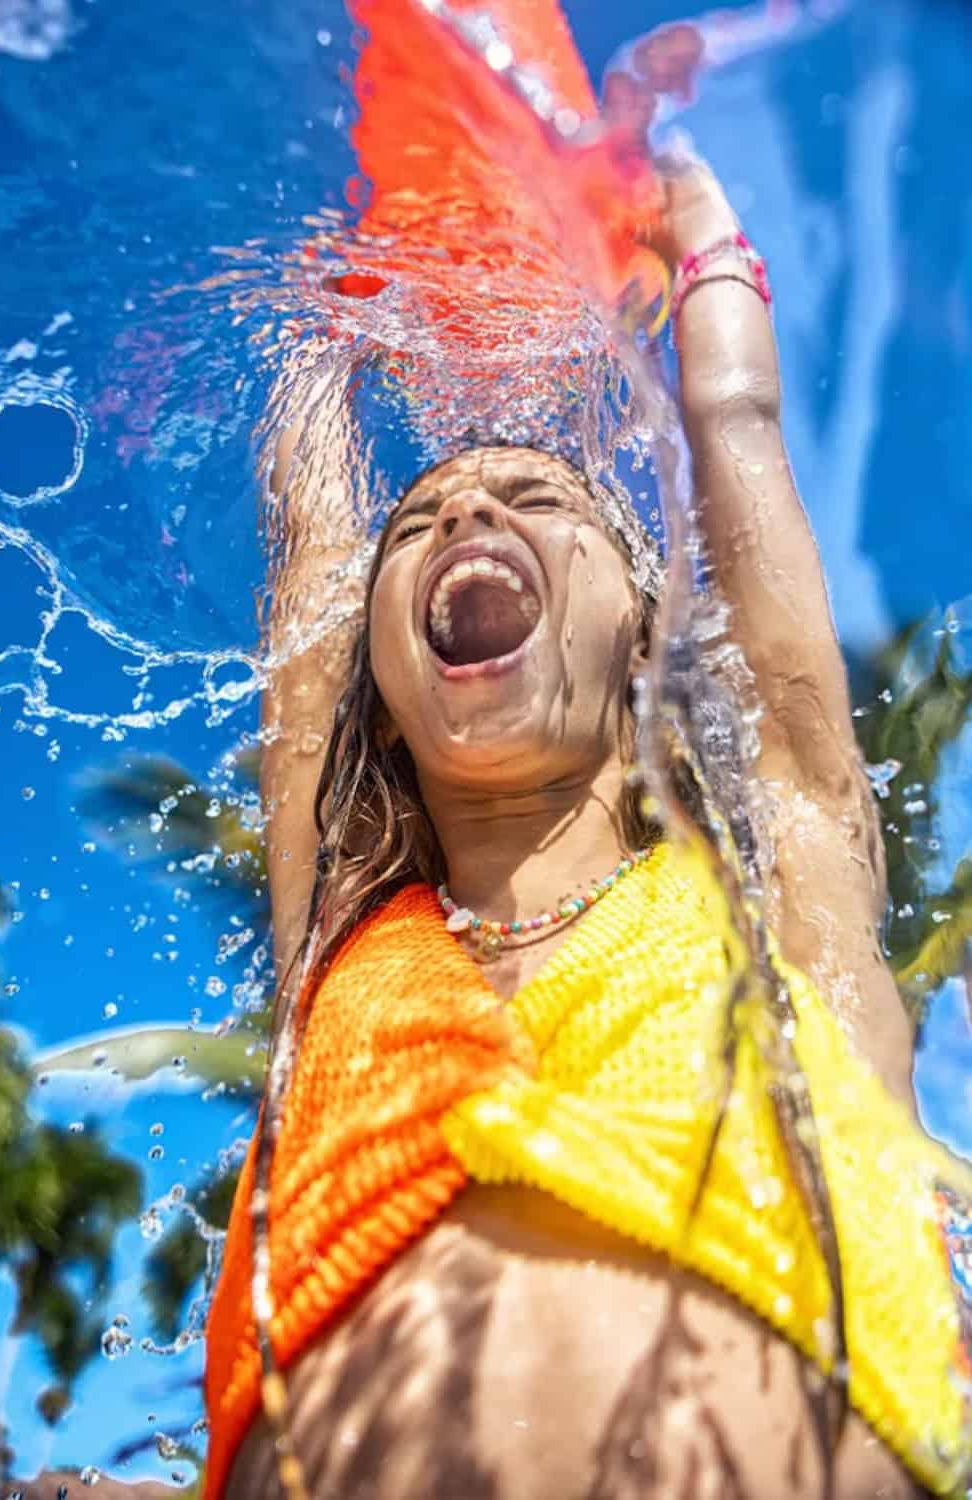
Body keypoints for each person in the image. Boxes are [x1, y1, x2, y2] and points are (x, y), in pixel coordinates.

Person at [198, 151, 972, 1500]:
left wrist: (707, 243)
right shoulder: (337, 933)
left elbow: (732, 425)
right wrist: (337, 315)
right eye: (420, 522)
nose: (470, 512)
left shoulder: (776, 900)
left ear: (645, 634)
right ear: (377, 675)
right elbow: (313, 555)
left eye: (536, 502)